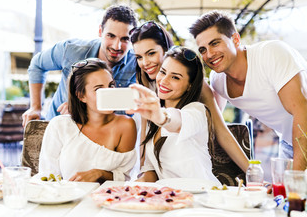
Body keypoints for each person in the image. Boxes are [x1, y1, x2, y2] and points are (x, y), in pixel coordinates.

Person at [189, 10, 307, 170]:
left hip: (302, 136)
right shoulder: (218, 81)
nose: (209, 54)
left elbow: (302, 111)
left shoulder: (271, 54)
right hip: (289, 143)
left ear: (235, 39)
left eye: (215, 43)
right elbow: (214, 127)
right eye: (202, 49)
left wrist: (296, 178)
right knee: (284, 194)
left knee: (293, 193)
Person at [130, 21, 249, 172]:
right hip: (161, 167)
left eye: (151, 53)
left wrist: (252, 171)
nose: (145, 63)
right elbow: (145, 134)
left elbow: (219, 130)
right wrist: (144, 173)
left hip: (190, 160)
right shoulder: (146, 78)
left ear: (166, 50)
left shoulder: (196, 86)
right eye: (139, 57)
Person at [22, 5, 138, 126]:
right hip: (59, 130)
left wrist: (79, 109)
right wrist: (35, 107)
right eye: (111, 36)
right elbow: (37, 65)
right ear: (100, 31)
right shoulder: (71, 50)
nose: (116, 46)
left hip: (107, 137)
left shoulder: (137, 62)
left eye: (125, 39)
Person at [128, 46, 219, 183]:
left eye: (175, 77)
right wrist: (131, 188)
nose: (164, 81)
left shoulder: (198, 111)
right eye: (163, 72)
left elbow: (176, 121)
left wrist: (160, 116)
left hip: (204, 197)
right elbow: (152, 171)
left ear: (189, 85)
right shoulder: (153, 119)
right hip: (171, 198)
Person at [38, 58, 137, 182]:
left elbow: (124, 177)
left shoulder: (126, 126)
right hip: (65, 197)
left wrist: (100, 174)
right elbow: (48, 176)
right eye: (99, 89)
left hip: (108, 199)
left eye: (111, 85)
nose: (109, 93)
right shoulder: (59, 126)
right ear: (81, 96)